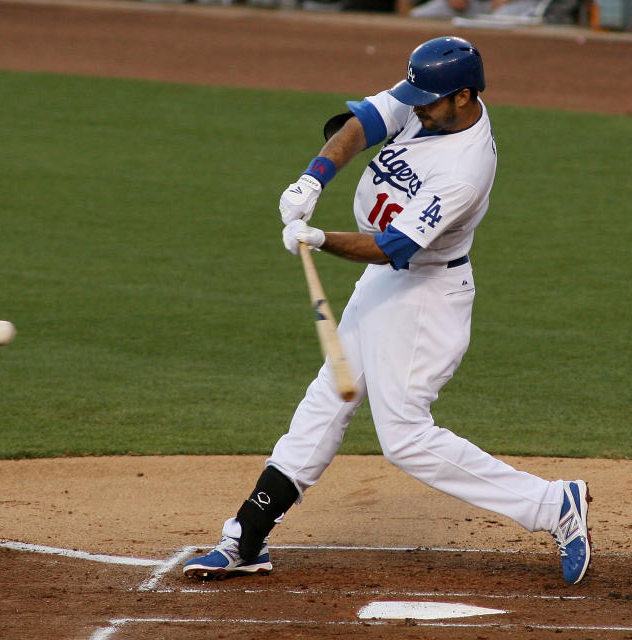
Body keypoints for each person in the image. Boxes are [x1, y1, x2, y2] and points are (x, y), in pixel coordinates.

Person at [182, 36, 592, 585]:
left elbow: (395, 246)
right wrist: (313, 177)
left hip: (426, 295)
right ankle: (246, 537)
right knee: (328, 399)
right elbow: (363, 124)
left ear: (464, 96)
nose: (416, 106)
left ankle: (552, 505)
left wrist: (321, 238)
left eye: (427, 100)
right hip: (385, 282)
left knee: (404, 436)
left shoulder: (464, 170)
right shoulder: (430, 98)